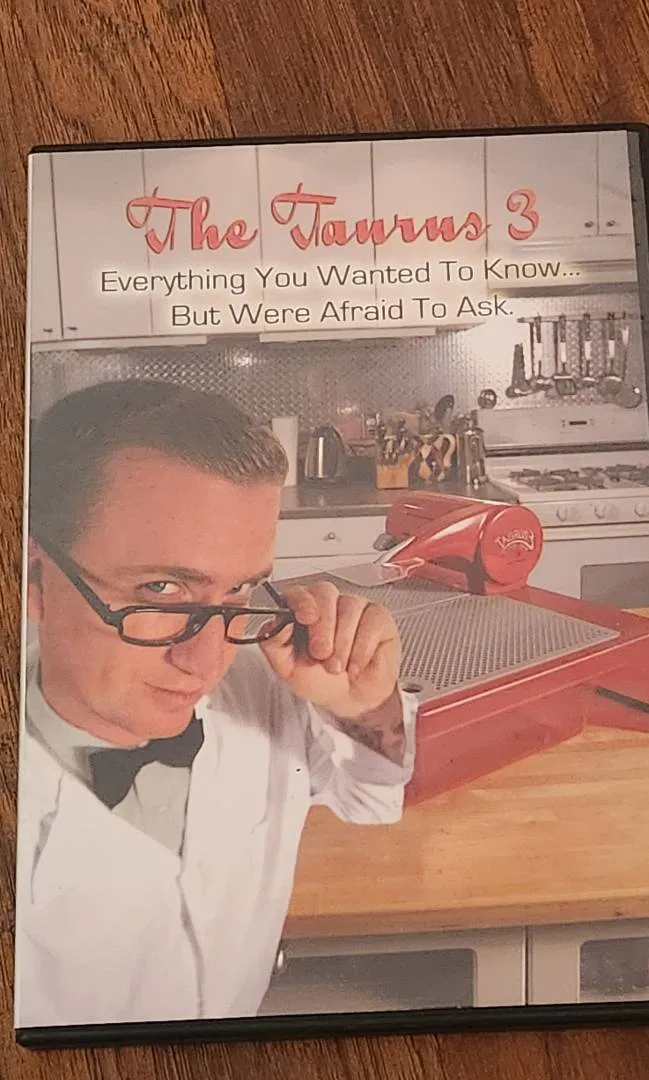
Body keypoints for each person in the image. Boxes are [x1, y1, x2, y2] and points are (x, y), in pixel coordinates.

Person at [15, 379, 418, 1029]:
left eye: (239, 593)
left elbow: (372, 797)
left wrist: (366, 705)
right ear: (33, 578)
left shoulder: (265, 679)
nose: (206, 663)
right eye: (161, 589)